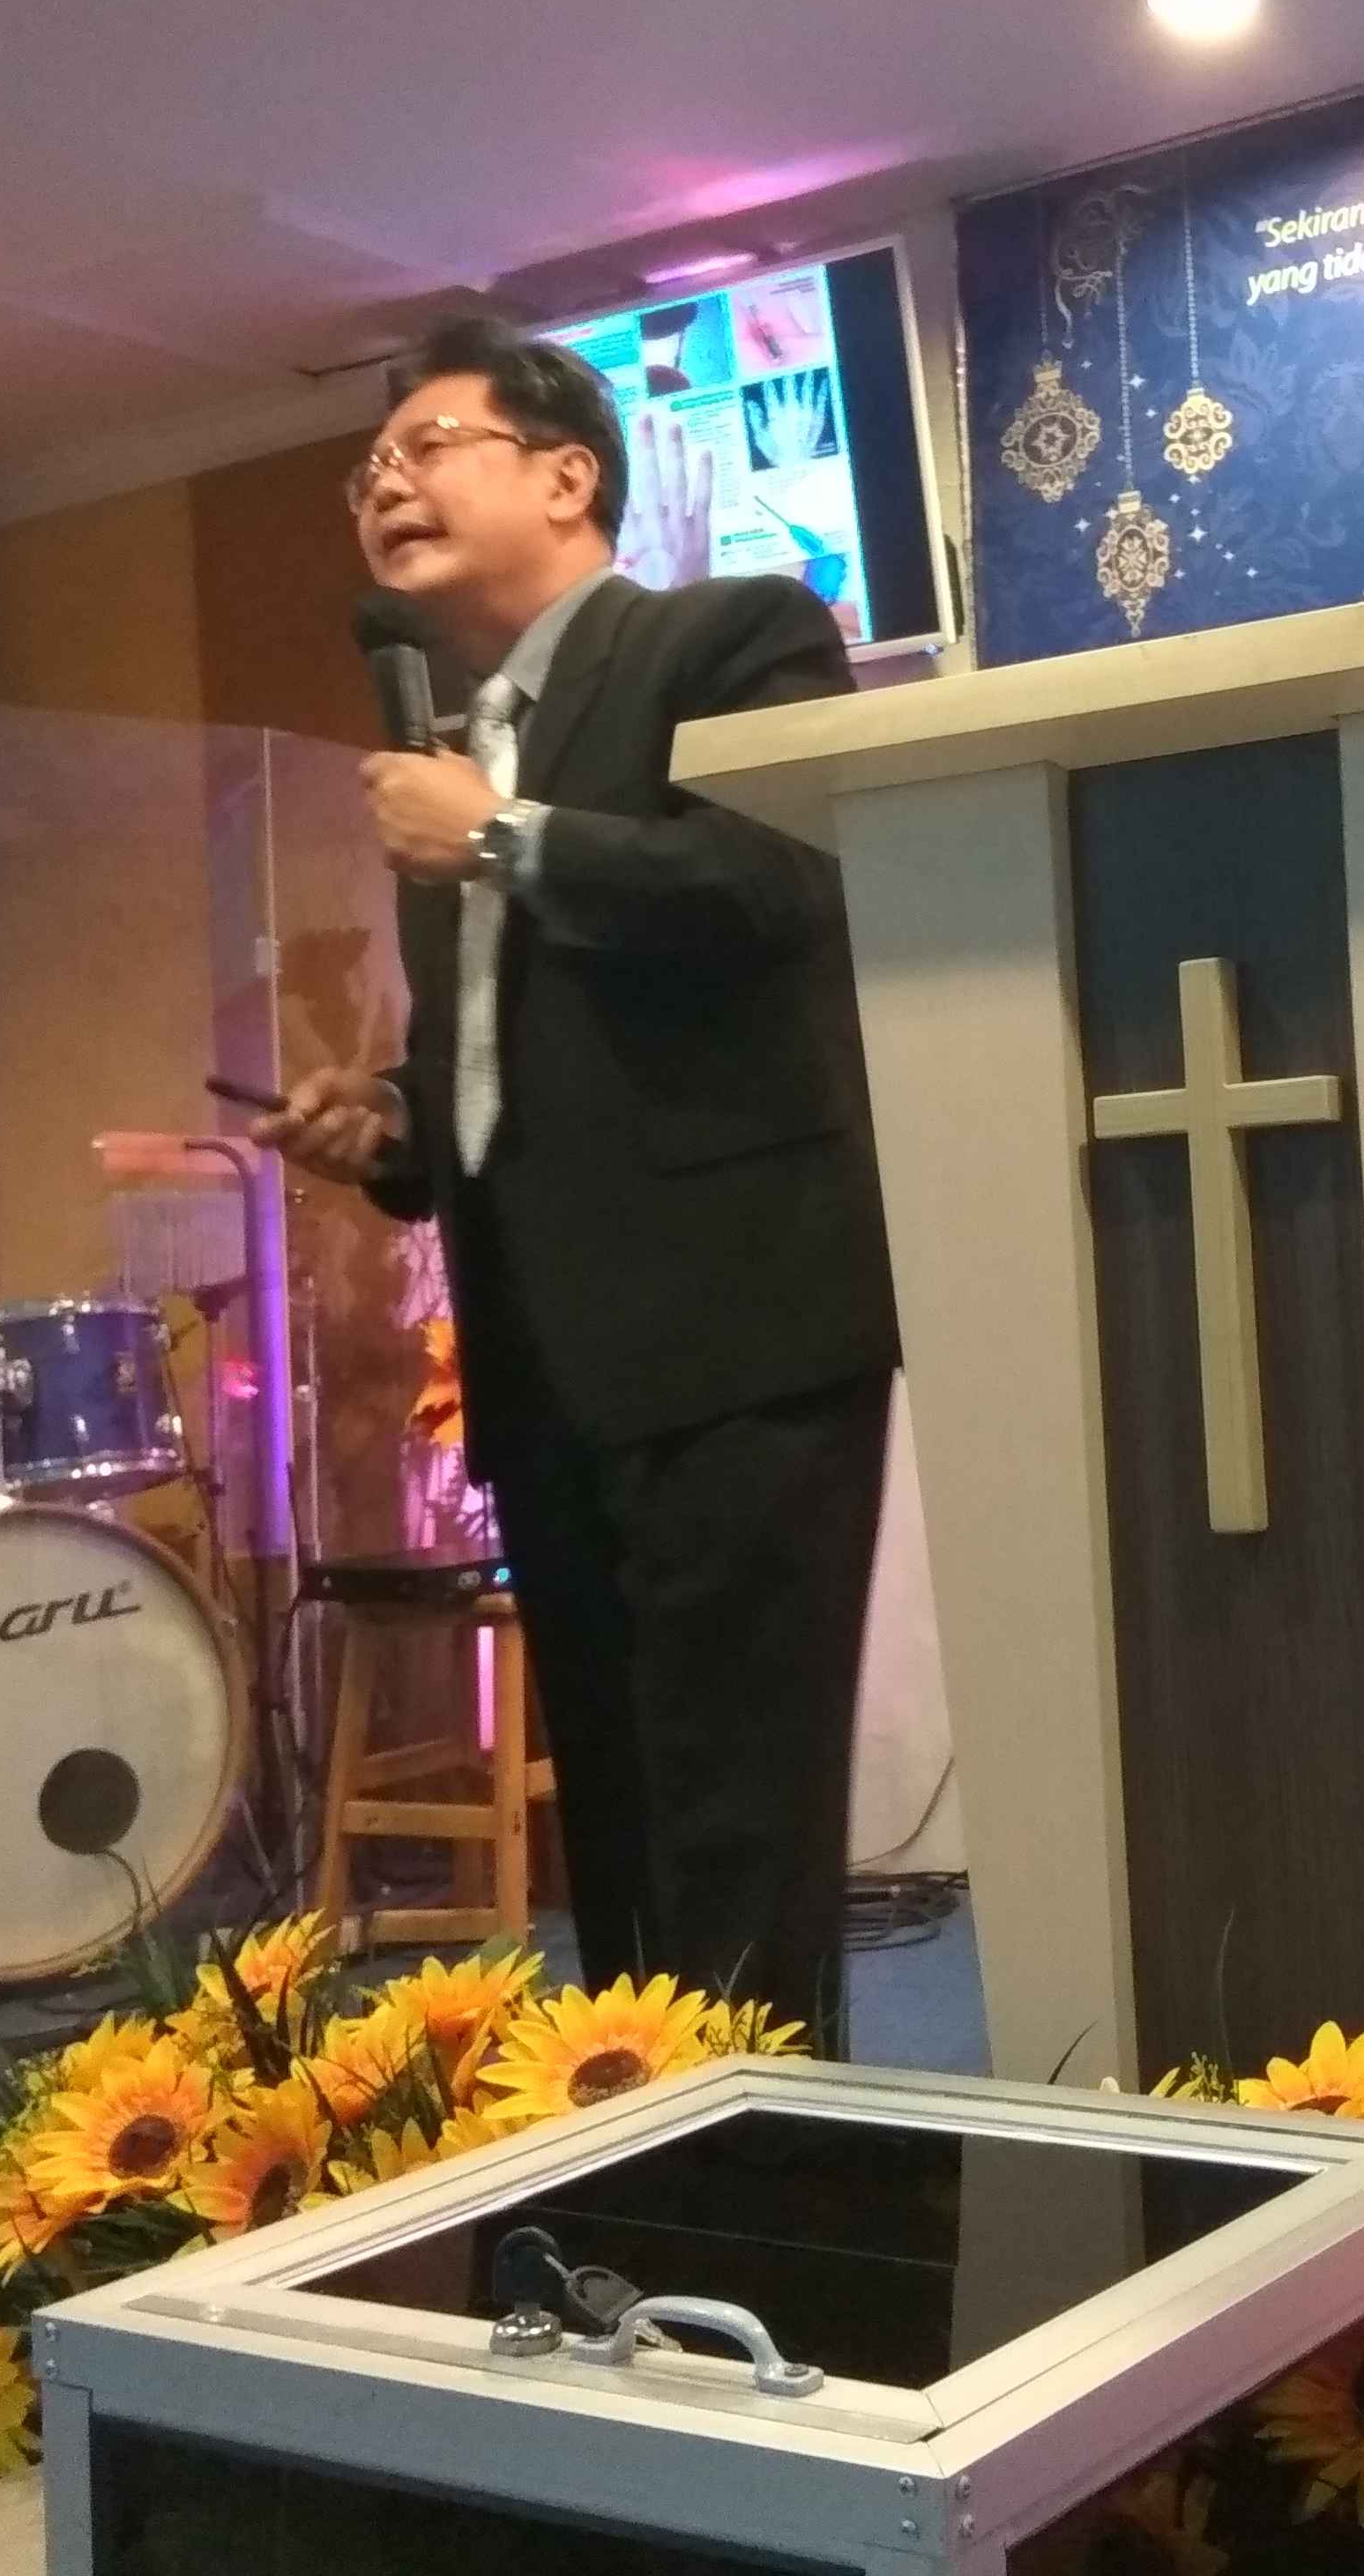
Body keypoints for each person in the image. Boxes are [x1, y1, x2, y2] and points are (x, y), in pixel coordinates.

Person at [255, 316, 898, 2045]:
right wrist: (391, 1122)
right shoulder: (452, 753)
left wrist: (499, 836)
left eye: (427, 447)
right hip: (543, 1354)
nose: (384, 485)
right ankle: (649, 2143)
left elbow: (777, 884)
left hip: (737, 1333)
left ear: (566, 476)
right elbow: (518, 1052)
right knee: (613, 1818)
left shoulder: (730, 636)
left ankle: (787, 2179)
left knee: (737, 1816)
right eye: (366, 470)